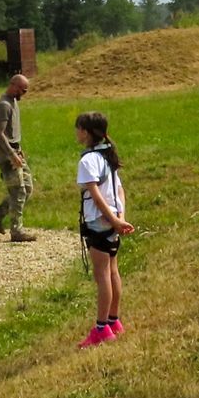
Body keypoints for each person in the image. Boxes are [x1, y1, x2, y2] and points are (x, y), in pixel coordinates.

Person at [75, 111, 134, 348]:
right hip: (113, 221)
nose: (76, 133)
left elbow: (97, 197)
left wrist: (113, 219)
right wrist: (120, 218)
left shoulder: (88, 160)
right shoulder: (107, 156)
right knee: (112, 271)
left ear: (86, 132)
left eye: (78, 128)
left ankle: (101, 328)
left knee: (102, 277)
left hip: (99, 221)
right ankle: (114, 320)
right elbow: (119, 190)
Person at [0, 73, 36, 242]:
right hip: (5, 155)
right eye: (23, 90)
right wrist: (12, 154)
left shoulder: (13, 101)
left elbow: (11, 133)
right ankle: (16, 231)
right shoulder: (4, 105)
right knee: (18, 190)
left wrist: (18, 150)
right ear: (13, 85)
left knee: (27, 187)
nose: (24, 94)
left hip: (15, 152)